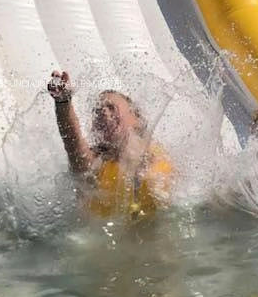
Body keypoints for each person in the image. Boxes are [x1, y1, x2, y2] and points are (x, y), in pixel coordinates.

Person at [47, 70, 173, 218]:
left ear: (136, 117)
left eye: (111, 107)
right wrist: (63, 101)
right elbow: (71, 140)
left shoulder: (159, 154)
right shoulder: (94, 163)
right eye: (98, 111)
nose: (104, 113)